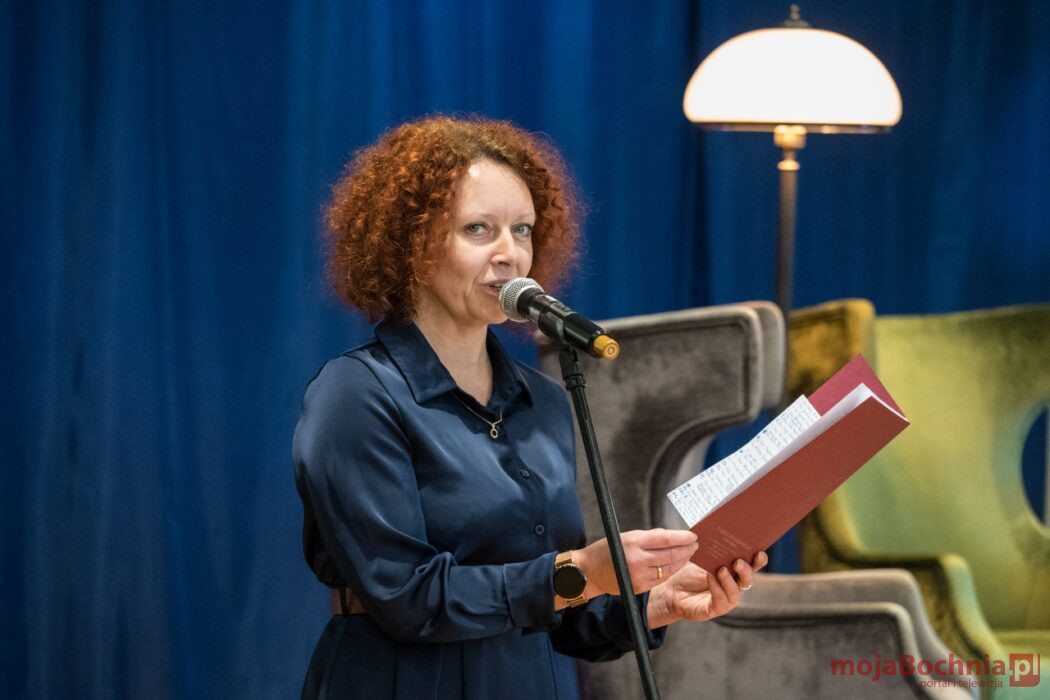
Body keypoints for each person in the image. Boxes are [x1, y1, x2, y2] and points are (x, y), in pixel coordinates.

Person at [293, 115, 767, 699]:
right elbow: (408, 597)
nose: (510, 254)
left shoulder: (540, 399)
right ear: (412, 245)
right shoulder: (357, 394)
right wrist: (583, 571)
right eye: (478, 229)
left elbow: (560, 611)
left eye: (522, 229)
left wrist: (657, 602)